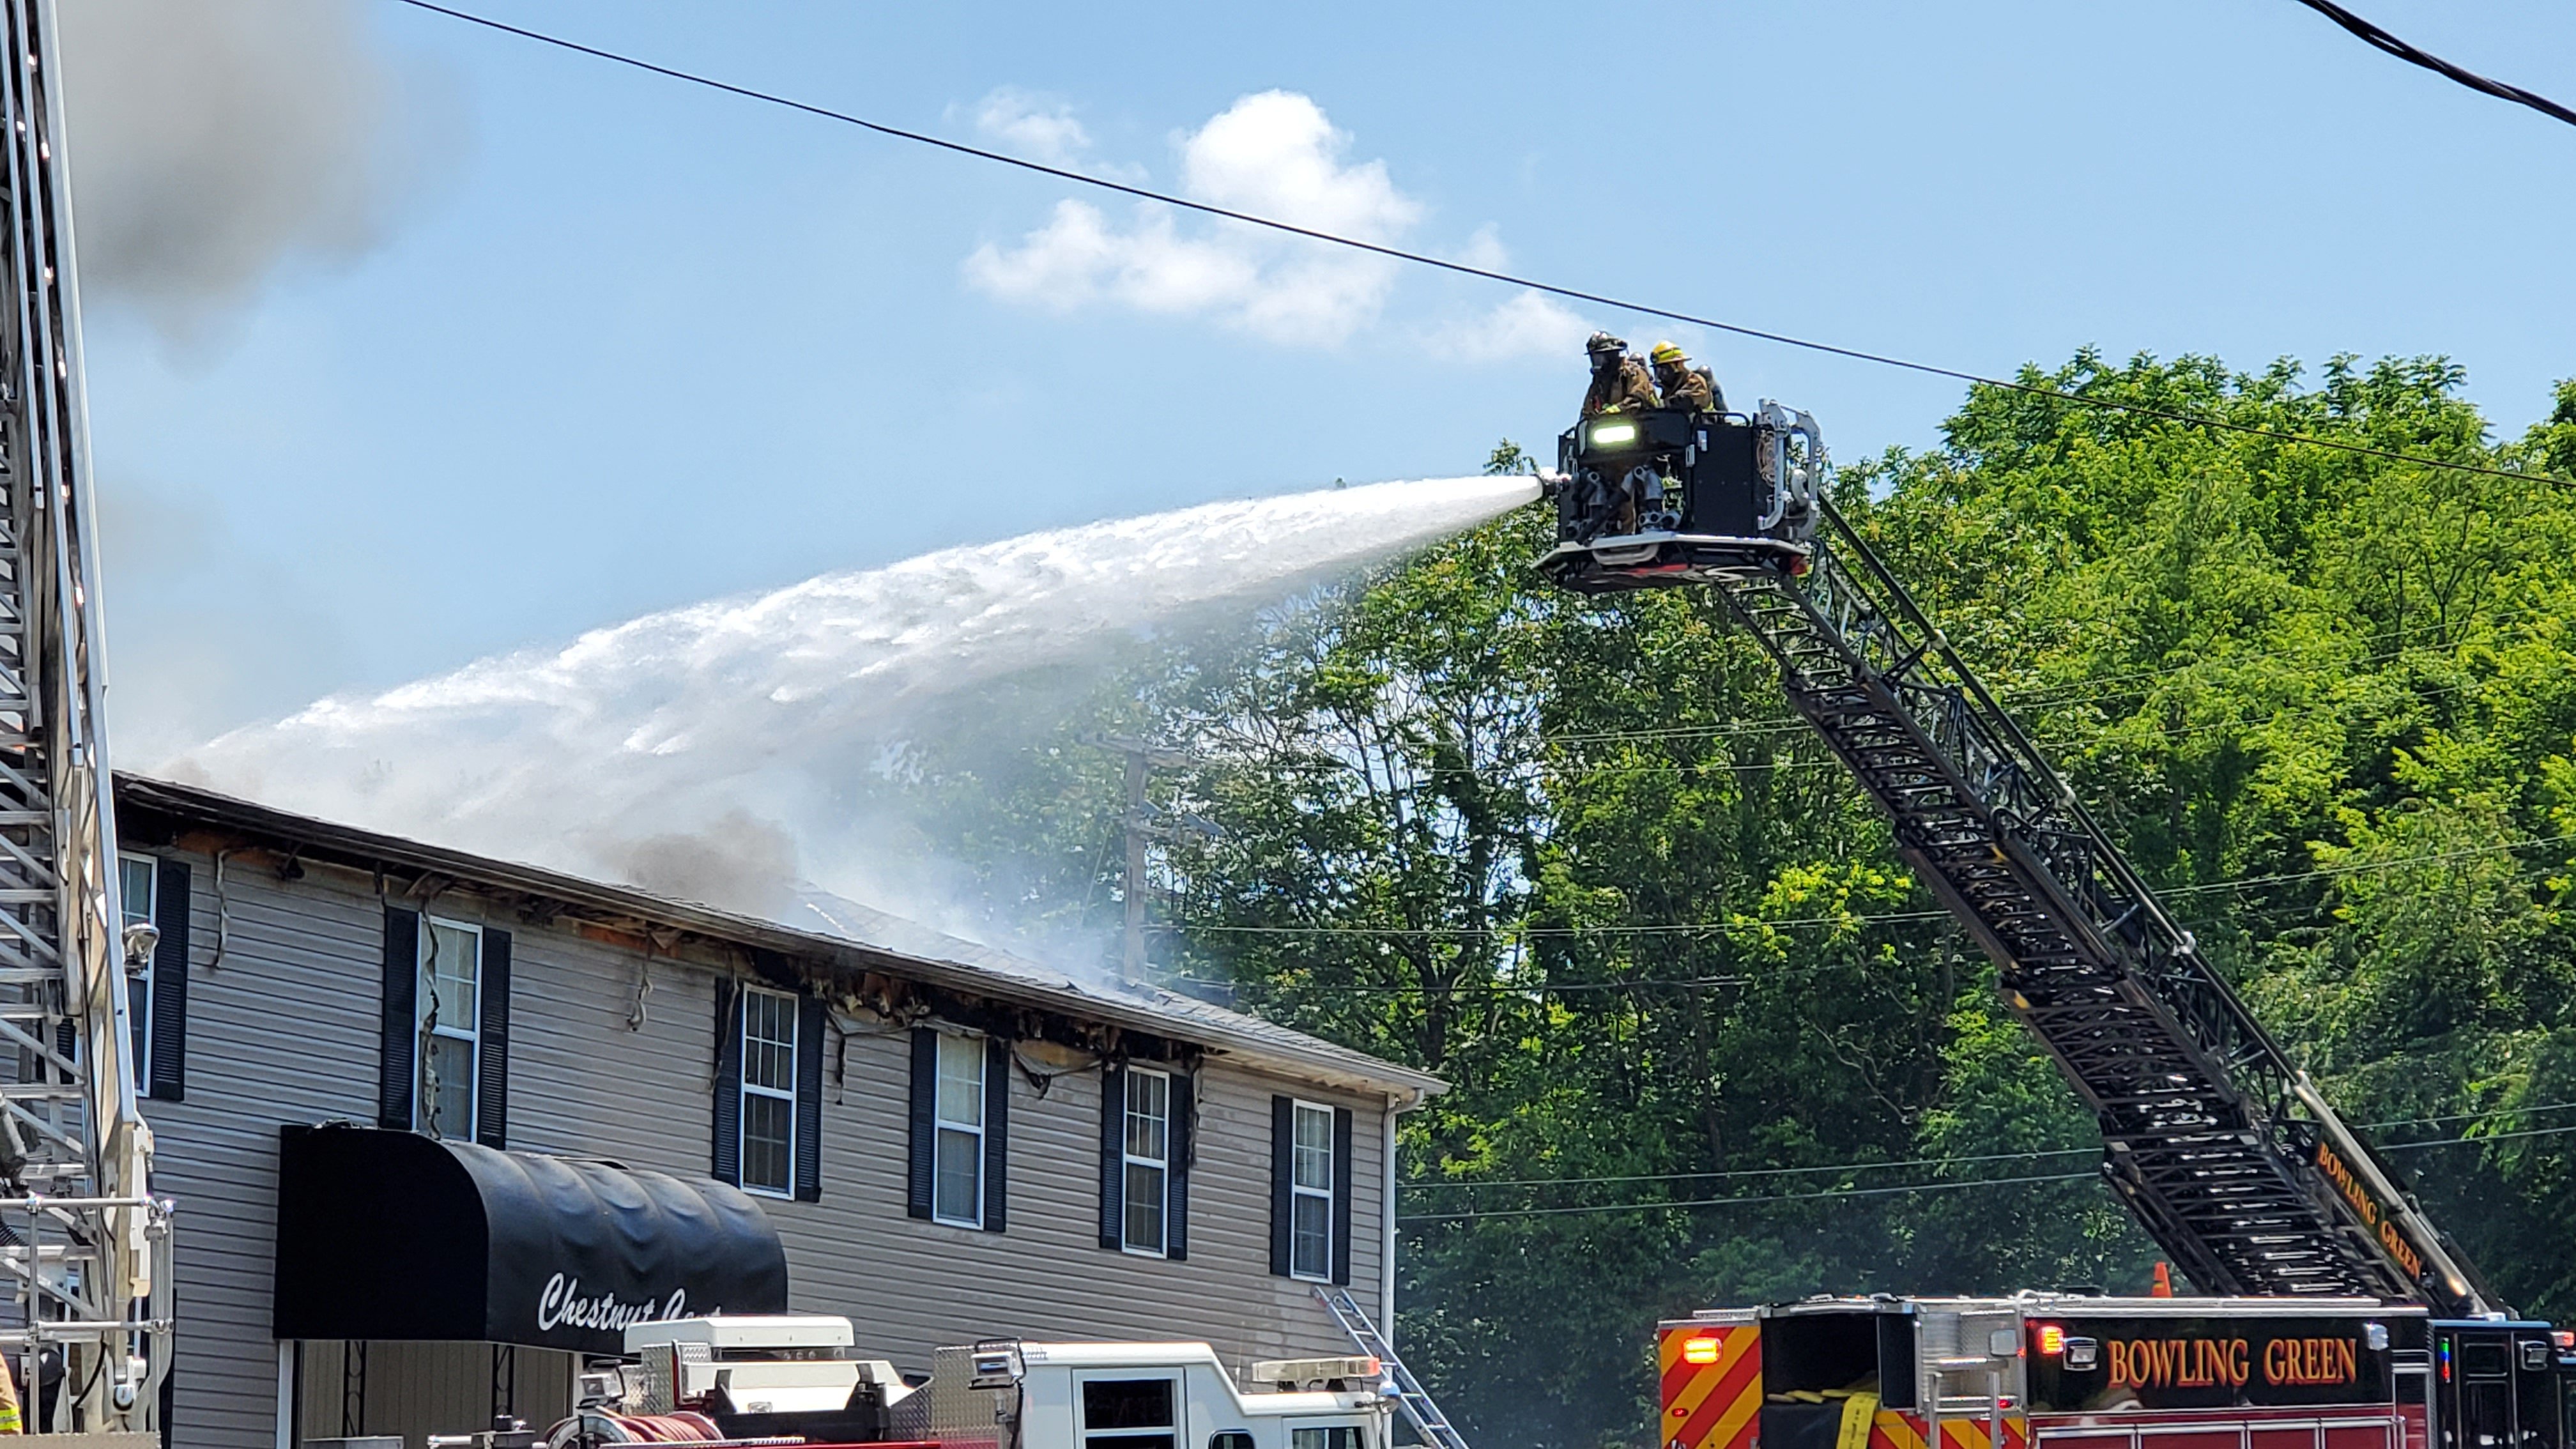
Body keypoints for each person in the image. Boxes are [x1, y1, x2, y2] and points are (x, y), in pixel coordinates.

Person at [1581, 332, 1659, 417]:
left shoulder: (1633, 373)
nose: (1596, 361)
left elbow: (1638, 398)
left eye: (1599, 357)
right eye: (1594, 357)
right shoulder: (1597, 384)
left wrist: (1619, 409)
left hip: (1641, 423)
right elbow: (1587, 411)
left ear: (1611, 355)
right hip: (1608, 426)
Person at [1650, 342, 1725, 415]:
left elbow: (1683, 403)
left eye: (1664, 369)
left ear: (1679, 365)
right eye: (1657, 370)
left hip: (1706, 425)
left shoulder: (1696, 382)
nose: (1660, 375)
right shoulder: (1670, 389)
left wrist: (1657, 404)